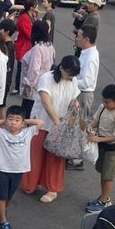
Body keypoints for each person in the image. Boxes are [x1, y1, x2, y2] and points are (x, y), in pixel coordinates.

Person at [19, 55, 81, 203]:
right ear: (62, 68)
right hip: (42, 122)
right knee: (35, 154)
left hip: (59, 123)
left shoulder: (73, 80)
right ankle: (31, 184)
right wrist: (57, 123)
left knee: (55, 158)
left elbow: (73, 97)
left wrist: (74, 104)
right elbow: (46, 103)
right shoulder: (46, 78)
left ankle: (52, 189)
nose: (71, 78)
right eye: (70, 74)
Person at [0, 106, 44, 229]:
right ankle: (3, 221)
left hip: (18, 171)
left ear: (23, 123)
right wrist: (5, 121)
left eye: (17, 120)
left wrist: (24, 121)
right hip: (3, 170)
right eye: (10, 119)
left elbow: (40, 122)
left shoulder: (27, 132)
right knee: (2, 196)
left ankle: (2, 212)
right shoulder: (2, 133)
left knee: (8, 196)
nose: (13, 122)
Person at [85, 84, 115, 213]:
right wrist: (91, 126)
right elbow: (96, 121)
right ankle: (103, 197)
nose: (104, 103)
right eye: (103, 100)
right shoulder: (103, 107)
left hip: (113, 150)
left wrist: (98, 139)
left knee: (108, 176)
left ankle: (104, 202)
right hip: (102, 146)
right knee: (103, 173)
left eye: (107, 102)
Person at [20, 20, 55, 119]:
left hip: (34, 86)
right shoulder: (50, 46)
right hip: (45, 83)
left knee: (27, 114)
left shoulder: (38, 49)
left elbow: (34, 69)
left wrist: (29, 84)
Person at [74, 25, 100, 128]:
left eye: (79, 36)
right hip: (81, 93)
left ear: (87, 39)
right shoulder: (86, 52)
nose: (77, 39)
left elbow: (86, 83)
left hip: (83, 95)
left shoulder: (90, 58)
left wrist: (71, 80)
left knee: (80, 125)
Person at [13, 0, 38, 94]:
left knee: (27, 68)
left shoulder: (32, 15)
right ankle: (18, 87)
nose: (37, 6)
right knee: (21, 68)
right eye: (36, 5)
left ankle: (23, 87)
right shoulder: (24, 18)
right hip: (23, 46)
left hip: (29, 46)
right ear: (31, 7)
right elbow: (29, 34)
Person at [0, 19, 17, 106]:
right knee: (0, 106)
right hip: (4, 80)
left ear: (7, 32)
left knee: (0, 106)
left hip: (3, 81)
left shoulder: (8, 47)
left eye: (0, 29)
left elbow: (7, 67)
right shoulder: (6, 45)